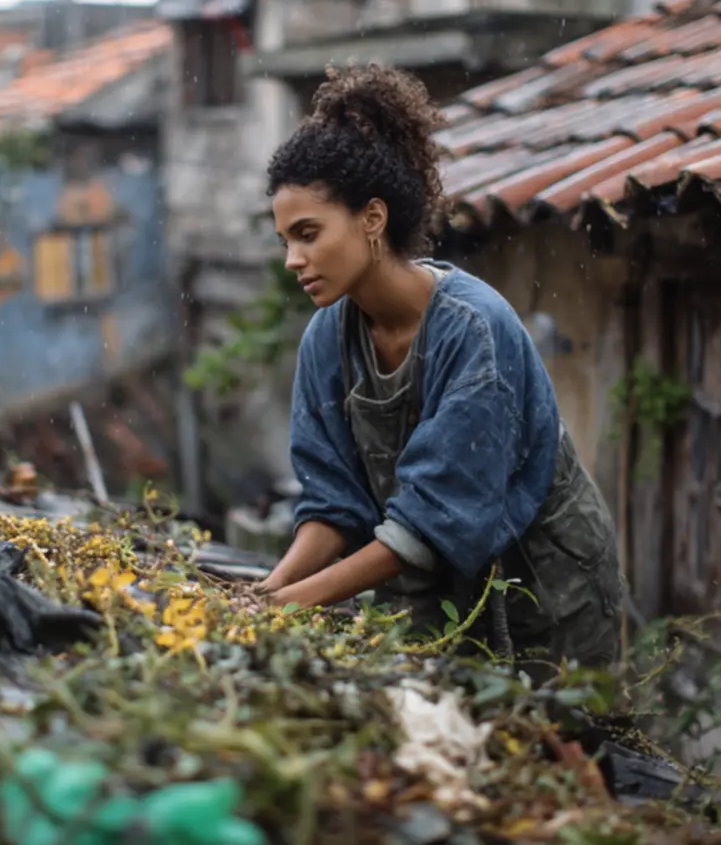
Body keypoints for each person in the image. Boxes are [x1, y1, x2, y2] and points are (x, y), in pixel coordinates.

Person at [252, 64, 625, 669]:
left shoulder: (474, 330)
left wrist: (292, 604)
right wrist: (267, 590)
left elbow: (432, 520)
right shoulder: (327, 339)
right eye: (285, 241)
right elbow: (334, 503)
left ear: (372, 219)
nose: (293, 259)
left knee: (554, 726)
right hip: (434, 591)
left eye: (308, 233)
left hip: (547, 590)